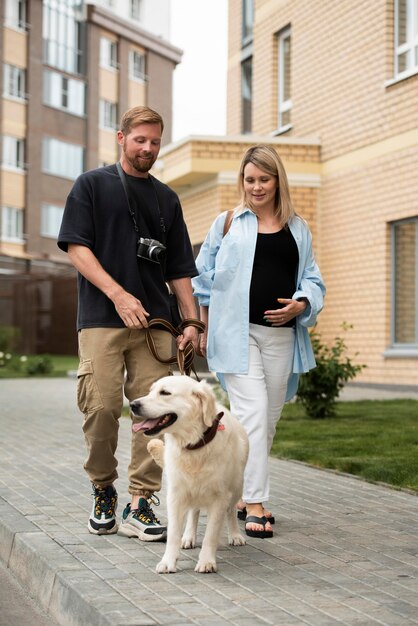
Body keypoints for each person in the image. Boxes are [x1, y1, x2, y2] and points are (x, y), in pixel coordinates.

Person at [58, 105, 199, 541]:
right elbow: (77, 250)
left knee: (155, 414)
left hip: (158, 324)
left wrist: (192, 321)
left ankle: (141, 500)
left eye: (155, 141)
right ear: (121, 138)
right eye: (140, 140)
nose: (149, 148)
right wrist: (118, 295)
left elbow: (178, 268)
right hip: (104, 316)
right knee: (101, 407)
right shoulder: (91, 186)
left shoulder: (167, 198)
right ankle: (103, 489)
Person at [192, 145, 325, 539]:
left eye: (263, 179)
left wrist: (300, 304)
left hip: (281, 336)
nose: (256, 187)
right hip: (237, 335)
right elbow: (202, 277)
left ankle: (235, 492)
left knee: (266, 421)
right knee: (253, 410)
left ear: (277, 180)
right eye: (249, 180)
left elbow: (313, 279)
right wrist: (201, 325)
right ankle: (254, 503)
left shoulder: (298, 228)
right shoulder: (228, 222)